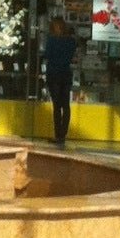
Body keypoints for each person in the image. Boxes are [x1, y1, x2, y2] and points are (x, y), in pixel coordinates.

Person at [43, 16, 77, 148]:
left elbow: (47, 55)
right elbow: (71, 55)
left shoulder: (52, 40)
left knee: (57, 106)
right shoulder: (71, 41)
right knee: (65, 105)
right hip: (65, 75)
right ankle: (63, 135)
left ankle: (58, 135)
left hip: (54, 74)